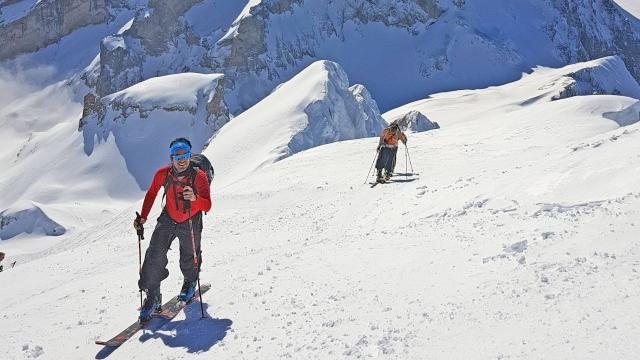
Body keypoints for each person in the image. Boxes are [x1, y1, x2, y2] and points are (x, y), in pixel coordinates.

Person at [133, 137, 211, 322]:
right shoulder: (164, 174)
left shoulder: (199, 176)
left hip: (191, 219)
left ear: (189, 155)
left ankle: (190, 283)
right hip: (168, 218)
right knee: (154, 255)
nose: (181, 159)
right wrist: (143, 217)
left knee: (189, 255)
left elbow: (207, 206)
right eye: (177, 155)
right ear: (171, 157)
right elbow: (152, 192)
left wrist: (195, 199)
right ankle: (153, 296)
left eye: (184, 154)